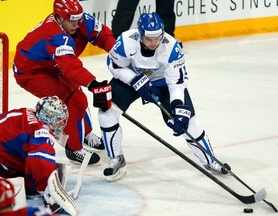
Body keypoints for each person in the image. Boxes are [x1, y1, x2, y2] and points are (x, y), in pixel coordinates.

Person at [98, 12, 231, 181]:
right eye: (149, 39)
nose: (154, 43)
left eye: (157, 38)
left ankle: (210, 160)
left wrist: (178, 105)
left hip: (163, 83)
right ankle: (116, 158)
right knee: (107, 114)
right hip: (131, 78)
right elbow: (114, 66)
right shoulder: (125, 42)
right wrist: (134, 79)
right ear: (140, 34)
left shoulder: (172, 47)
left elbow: (176, 81)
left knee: (187, 122)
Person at [13, 0, 116, 164]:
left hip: (53, 65)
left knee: (79, 96)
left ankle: (86, 135)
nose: (76, 24)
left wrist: (120, 57)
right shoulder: (53, 34)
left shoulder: (79, 20)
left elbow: (103, 36)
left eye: (78, 19)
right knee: (71, 99)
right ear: (59, 18)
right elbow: (71, 68)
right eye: (71, 21)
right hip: (31, 72)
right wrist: (93, 83)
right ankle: (74, 149)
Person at [0, 96, 77, 215]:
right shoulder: (40, 133)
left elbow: (0, 119)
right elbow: (39, 161)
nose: (61, 123)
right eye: (58, 119)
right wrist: (45, 190)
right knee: (2, 192)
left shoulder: (26, 111)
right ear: (48, 117)